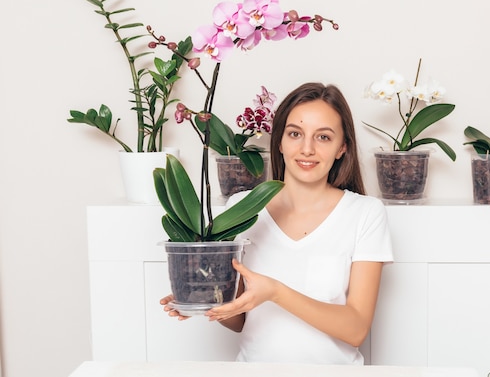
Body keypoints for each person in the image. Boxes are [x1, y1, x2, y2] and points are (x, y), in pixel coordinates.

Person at [161, 82, 393, 365]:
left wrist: (275, 292)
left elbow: (356, 329)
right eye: (295, 134)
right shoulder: (242, 209)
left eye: (323, 137)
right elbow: (240, 319)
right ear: (280, 142)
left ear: (342, 148)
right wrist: (204, 298)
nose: (306, 149)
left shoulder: (365, 213)